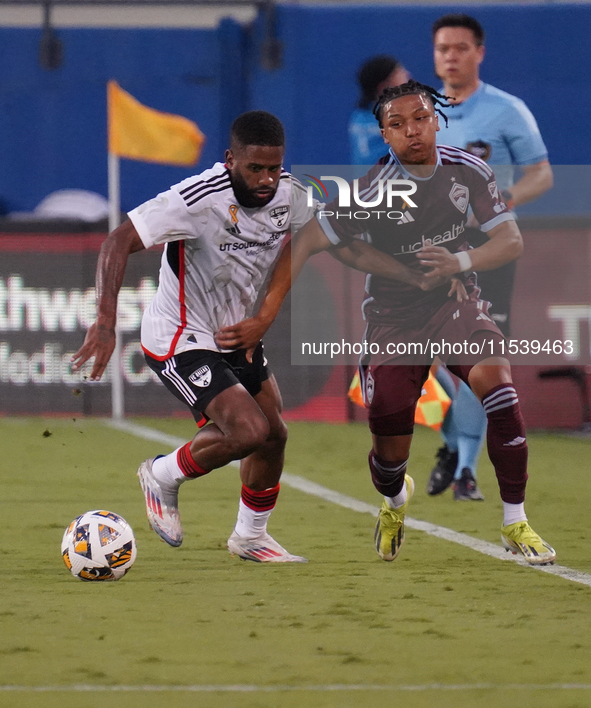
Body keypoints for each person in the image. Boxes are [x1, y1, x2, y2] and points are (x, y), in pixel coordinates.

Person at [217, 80, 556, 567]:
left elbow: (511, 241)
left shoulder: (470, 171)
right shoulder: (375, 190)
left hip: (455, 303)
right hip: (394, 320)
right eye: (397, 125)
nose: (412, 132)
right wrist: (267, 312)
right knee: (389, 449)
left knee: (499, 389)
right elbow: (313, 239)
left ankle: (515, 521)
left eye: (420, 118)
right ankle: (395, 501)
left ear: (436, 120)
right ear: (384, 134)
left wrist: (460, 264)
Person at [72, 111, 321, 563]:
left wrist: (265, 315)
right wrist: (105, 321)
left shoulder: (290, 195)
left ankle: (251, 537)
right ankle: (163, 475)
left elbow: (307, 238)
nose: (266, 179)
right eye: (255, 169)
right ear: (230, 160)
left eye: (274, 168)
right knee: (248, 430)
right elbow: (116, 242)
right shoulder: (195, 198)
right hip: (179, 336)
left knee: (274, 435)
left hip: (235, 333)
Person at [428, 13, 553, 502]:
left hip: (488, 251)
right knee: (429, 358)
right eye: (443, 48)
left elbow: (542, 174)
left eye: (460, 48)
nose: (451, 56)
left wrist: (506, 200)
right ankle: (451, 443)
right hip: (429, 249)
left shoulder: (507, 110)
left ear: (479, 52)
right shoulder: (419, 112)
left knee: (483, 356)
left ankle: (465, 469)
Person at [349, 55, 409, 165]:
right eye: (399, 72)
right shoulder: (396, 119)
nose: (407, 74)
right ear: (384, 87)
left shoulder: (357, 117)